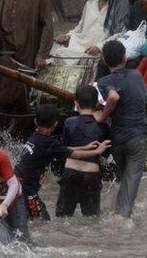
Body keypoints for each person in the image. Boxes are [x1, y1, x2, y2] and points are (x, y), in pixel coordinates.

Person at [14, 104, 110, 220]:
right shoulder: (48, 142)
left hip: (17, 185)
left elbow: (63, 150)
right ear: (55, 124)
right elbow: (74, 154)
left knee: (31, 218)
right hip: (26, 191)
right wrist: (97, 151)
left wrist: (86, 147)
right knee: (42, 221)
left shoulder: (36, 137)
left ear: (35, 121)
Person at [95, 41, 147, 221]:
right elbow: (119, 97)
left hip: (117, 141)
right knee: (129, 184)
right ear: (125, 58)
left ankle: (124, 214)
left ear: (104, 60)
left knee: (125, 184)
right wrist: (104, 116)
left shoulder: (103, 81)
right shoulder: (137, 75)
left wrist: (102, 116)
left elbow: (109, 97)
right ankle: (121, 229)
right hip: (137, 138)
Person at [52, 0, 129, 65]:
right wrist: (68, 36)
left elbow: (121, 33)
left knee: (88, 63)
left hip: (102, 50)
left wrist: (99, 47)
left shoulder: (121, 4)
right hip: (81, 45)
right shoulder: (90, 2)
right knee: (58, 54)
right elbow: (80, 27)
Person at [56, 86, 110, 217]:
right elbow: (105, 153)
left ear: (76, 102)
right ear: (96, 103)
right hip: (91, 175)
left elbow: (63, 148)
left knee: (62, 218)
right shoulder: (103, 126)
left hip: (70, 173)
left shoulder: (69, 122)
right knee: (91, 219)